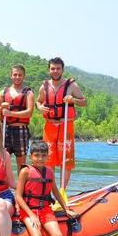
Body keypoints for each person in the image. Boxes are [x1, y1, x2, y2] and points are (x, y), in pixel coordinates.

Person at [15, 140, 77, 236]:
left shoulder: (49, 171)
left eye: (43, 155)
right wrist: (31, 215)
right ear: (31, 157)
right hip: (28, 210)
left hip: (45, 209)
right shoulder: (25, 171)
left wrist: (66, 208)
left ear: (47, 156)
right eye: (37, 155)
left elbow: (55, 192)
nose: (40, 159)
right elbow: (18, 196)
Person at [36, 57, 87, 190]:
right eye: (53, 68)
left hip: (66, 125)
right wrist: (40, 107)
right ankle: (50, 192)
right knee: (48, 159)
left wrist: (73, 100)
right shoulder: (44, 87)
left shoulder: (72, 86)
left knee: (66, 161)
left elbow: (84, 102)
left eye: (58, 68)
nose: (55, 71)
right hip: (50, 126)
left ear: (62, 70)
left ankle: (62, 191)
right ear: (49, 70)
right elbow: (38, 101)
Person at [0, 64, 34, 170]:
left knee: (21, 164)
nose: (17, 77)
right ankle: (3, 185)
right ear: (11, 76)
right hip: (5, 129)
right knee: (2, 161)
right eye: (15, 75)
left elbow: (29, 112)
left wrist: (11, 114)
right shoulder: (2, 93)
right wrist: (1, 108)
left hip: (21, 129)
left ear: (24, 76)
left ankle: (20, 186)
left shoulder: (28, 93)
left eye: (20, 75)